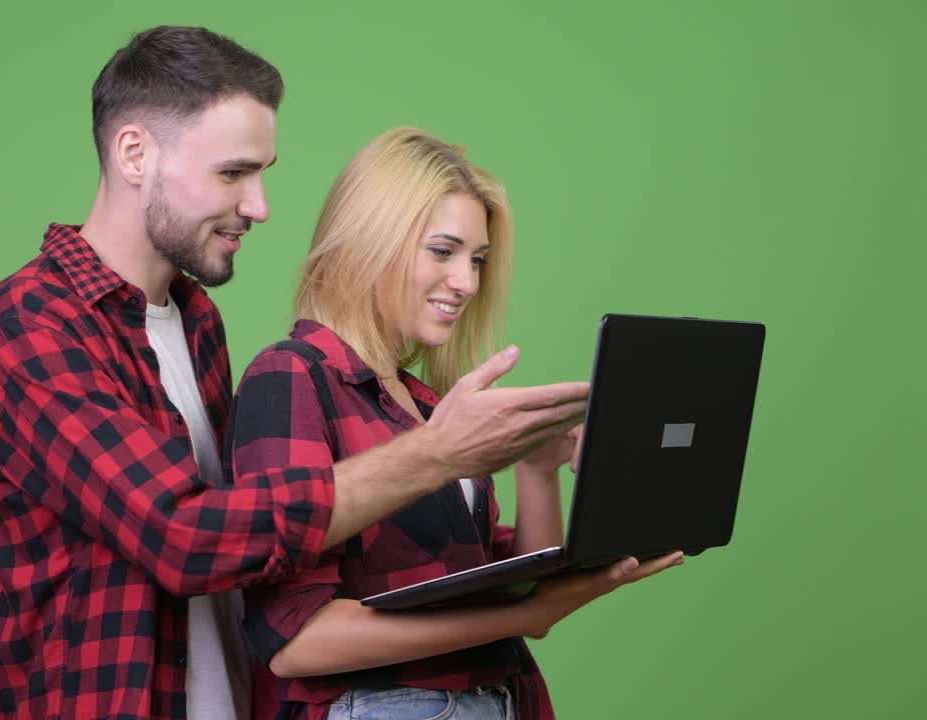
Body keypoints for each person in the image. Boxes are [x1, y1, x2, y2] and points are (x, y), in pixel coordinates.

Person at [0, 26, 591, 720]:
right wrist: (437, 455)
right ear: (135, 152)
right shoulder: (31, 323)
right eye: (233, 173)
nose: (260, 206)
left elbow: (271, 554)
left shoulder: (196, 323)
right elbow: (183, 538)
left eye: (262, 174)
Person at [226, 128, 683, 720]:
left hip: (491, 699)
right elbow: (296, 640)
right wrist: (522, 619)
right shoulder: (289, 377)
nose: (466, 282)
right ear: (370, 241)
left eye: (478, 260)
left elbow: (502, 581)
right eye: (443, 251)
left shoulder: (427, 404)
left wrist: (538, 469)